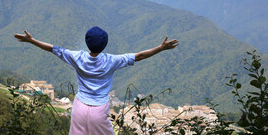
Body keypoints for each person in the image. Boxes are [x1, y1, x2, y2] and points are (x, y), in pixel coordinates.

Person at [14, 26, 178, 135]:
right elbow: (139, 56)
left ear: (87, 42)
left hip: (79, 107)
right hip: (99, 109)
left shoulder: (77, 57)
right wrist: (161, 48)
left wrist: (31, 40)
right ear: (105, 44)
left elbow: (53, 49)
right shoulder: (111, 60)